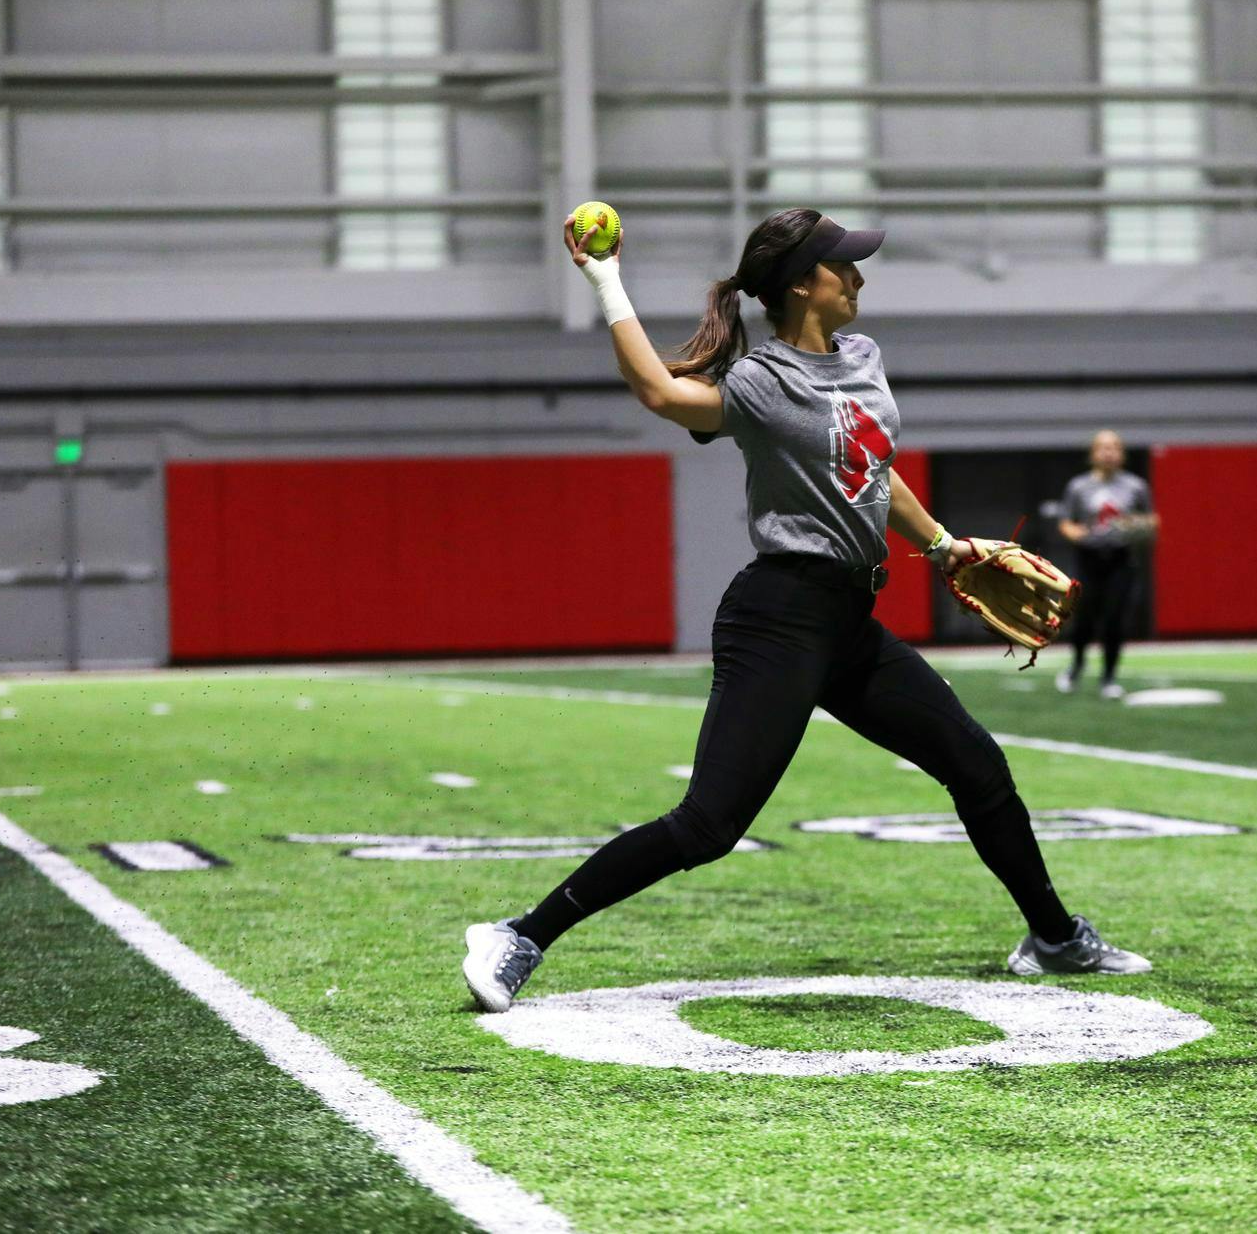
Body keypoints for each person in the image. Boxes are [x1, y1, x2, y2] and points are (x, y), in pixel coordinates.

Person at [462, 207, 1151, 1012]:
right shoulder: (761, 383)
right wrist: (605, 277)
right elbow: (658, 390)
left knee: (979, 768)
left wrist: (939, 544)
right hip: (778, 615)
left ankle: (1056, 939)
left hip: (850, 621)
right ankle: (520, 933)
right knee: (708, 824)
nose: (857, 278)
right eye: (841, 267)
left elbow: (870, 466)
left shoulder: (863, 356)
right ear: (800, 284)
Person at [1054, 430, 1158, 699]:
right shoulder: (1079, 486)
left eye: (1114, 447)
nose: (1108, 452)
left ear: (1122, 453)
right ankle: (1076, 666)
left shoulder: (1135, 486)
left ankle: (1109, 677)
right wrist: (1074, 533)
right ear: (1093, 453)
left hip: (1121, 559)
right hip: (1089, 559)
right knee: (1084, 618)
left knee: (1114, 619)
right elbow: (1066, 521)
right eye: (1103, 447)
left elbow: (1151, 522)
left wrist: (1136, 527)